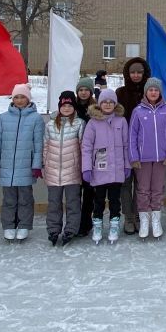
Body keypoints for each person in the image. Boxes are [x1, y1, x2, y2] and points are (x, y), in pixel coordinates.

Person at [0, 82, 44, 241]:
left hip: (25, 167)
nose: (19, 100)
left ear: (28, 99)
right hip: (7, 167)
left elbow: (39, 144)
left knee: (25, 199)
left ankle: (24, 225)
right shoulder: (4, 118)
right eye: (16, 97)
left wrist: (36, 165)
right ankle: (8, 225)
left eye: (23, 97)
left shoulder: (36, 118)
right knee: (9, 199)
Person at [128, 77, 166, 238]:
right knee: (142, 190)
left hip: (162, 159)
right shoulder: (138, 111)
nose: (154, 92)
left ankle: (156, 221)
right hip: (142, 160)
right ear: (146, 92)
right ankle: (144, 221)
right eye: (151, 90)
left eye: (156, 90)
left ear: (160, 92)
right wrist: (134, 156)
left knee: (157, 190)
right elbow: (132, 136)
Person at [81, 88, 130, 244]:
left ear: (115, 104)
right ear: (99, 104)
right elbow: (86, 147)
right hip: (99, 171)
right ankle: (97, 225)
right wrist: (87, 168)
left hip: (116, 170)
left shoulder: (121, 121)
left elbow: (126, 145)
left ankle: (114, 225)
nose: (108, 104)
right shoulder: (93, 123)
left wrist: (127, 165)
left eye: (111, 102)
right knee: (99, 201)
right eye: (104, 102)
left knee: (115, 200)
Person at [43, 90, 84, 246]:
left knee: (73, 202)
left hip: (72, 171)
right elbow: (46, 146)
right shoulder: (50, 125)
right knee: (54, 202)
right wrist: (45, 164)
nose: (66, 108)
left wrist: (81, 166)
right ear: (59, 106)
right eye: (63, 105)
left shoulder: (79, 124)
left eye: (69, 105)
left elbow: (82, 148)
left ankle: (71, 229)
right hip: (53, 171)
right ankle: (53, 229)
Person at [116, 56, 150, 234]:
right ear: (127, 74)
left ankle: (138, 215)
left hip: (145, 146)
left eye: (139, 72)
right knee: (125, 184)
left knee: (141, 184)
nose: (136, 75)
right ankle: (128, 217)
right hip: (124, 145)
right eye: (133, 72)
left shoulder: (150, 92)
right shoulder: (120, 93)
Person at [75, 77, 97, 237]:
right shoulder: (71, 108)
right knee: (75, 193)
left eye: (86, 90)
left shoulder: (95, 109)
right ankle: (75, 223)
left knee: (89, 193)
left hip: (90, 156)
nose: (83, 92)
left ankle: (86, 223)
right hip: (73, 156)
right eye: (81, 90)